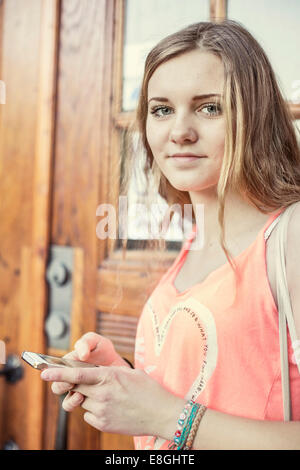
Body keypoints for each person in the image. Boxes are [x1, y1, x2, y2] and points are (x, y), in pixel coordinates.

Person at [40, 20, 300, 450]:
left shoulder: (289, 238)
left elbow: (172, 415)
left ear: (253, 116)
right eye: (162, 109)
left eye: (209, 107)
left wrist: (162, 414)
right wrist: (128, 380)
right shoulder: (194, 240)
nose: (179, 131)